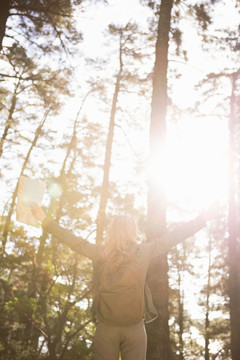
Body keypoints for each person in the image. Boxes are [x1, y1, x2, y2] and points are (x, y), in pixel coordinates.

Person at [31, 202, 217, 360]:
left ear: (111, 232)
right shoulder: (143, 252)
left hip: (106, 328)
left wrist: (45, 221)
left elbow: (73, 240)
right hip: (135, 328)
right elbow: (171, 238)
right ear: (132, 232)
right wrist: (201, 220)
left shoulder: (100, 253)